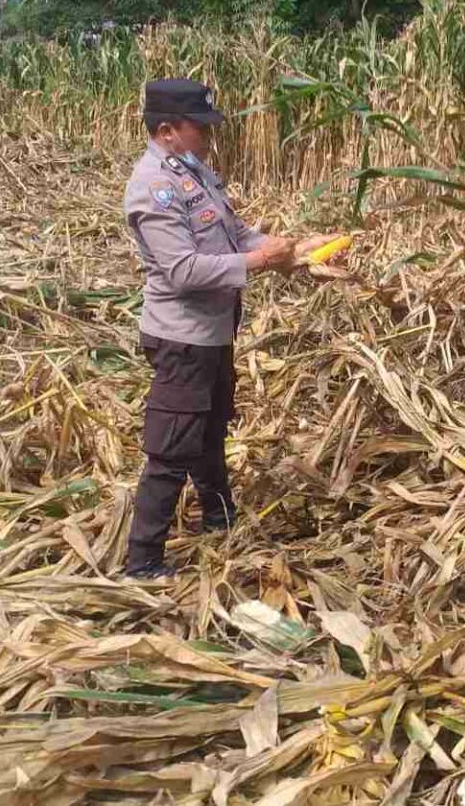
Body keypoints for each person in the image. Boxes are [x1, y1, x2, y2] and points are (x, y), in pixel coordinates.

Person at [123, 78, 330, 579]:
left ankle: (220, 520)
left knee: (211, 432)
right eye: (202, 129)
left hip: (214, 334)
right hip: (182, 338)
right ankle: (143, 561)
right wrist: (260, 260)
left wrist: (291, 249)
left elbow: (233, 234)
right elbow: (185, 271)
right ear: (168, 130)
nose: (211, 138)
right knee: (172, 447)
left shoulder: (194, 174)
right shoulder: (153, 188)